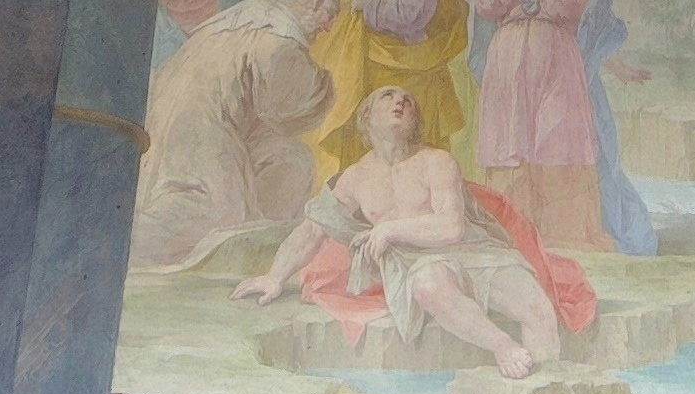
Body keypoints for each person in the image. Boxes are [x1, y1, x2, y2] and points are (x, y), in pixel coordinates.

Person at [234, 85, 580, 378]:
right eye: (388, 96)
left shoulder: (437, 162)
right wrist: (274, 276)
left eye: (407, 100)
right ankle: (503, 346)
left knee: (537, 308)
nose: (400, 101)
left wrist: (389, 229)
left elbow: (451, 227)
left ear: (415, 121)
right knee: (429, 284)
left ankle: (550, 387)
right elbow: (312, 231)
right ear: (366, 117)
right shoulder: (354, 178)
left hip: (477, 252)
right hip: (418, 264)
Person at [469, 0, 652, 255]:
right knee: (514, 142)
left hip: (560, 66)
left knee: (558, 141)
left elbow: (597, 32)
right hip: (509, 65)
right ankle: (515, 232)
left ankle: (563, 235)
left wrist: (619, 68)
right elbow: (481, 5)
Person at [136, 0, 339, 268]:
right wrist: (327, 86)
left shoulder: (241, 19)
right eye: (329, 16)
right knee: (212, 210)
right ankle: (120, 245)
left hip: (170, 116)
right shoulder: (278, 38)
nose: (327, 28)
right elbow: (286, 107)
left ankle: (260, 251)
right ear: (315, 3)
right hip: (201, 128)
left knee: (292, 159)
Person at [311, 0, 476, 170]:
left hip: (407, 65)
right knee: (359, 136)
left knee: (401, 147)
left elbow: (407, 13)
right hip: (360, 57)